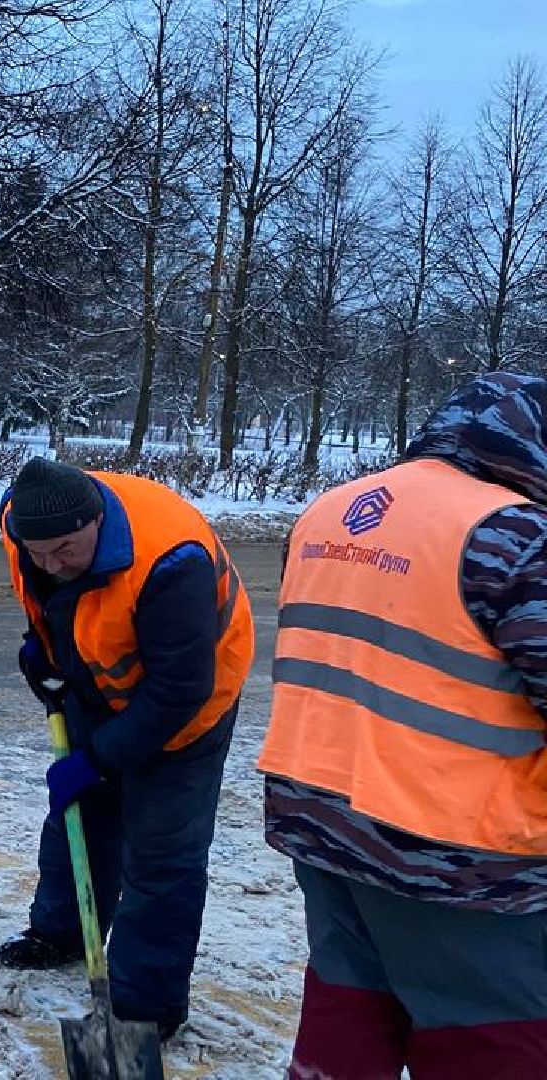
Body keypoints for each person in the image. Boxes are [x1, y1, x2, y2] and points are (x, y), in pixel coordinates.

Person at [260, 372, 547, 1078]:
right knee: (488, 1036)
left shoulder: (331, 510)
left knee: (348, 1009)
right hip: (460, 853)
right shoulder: (514, 536)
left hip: (322, 819)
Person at [0, 456, 254, 1042]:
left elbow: (179, 690)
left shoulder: (170, 560)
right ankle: (61, 934)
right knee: (79, 816)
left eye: (64, 550)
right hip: (99, 683)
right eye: (36, 552)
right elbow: (60, 601)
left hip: (189, 707)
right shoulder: (25, 521)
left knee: (162, 855)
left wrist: (101, 758)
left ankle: (146, 1006)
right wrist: (44, 649)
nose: (50, 564)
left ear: (94, 523)